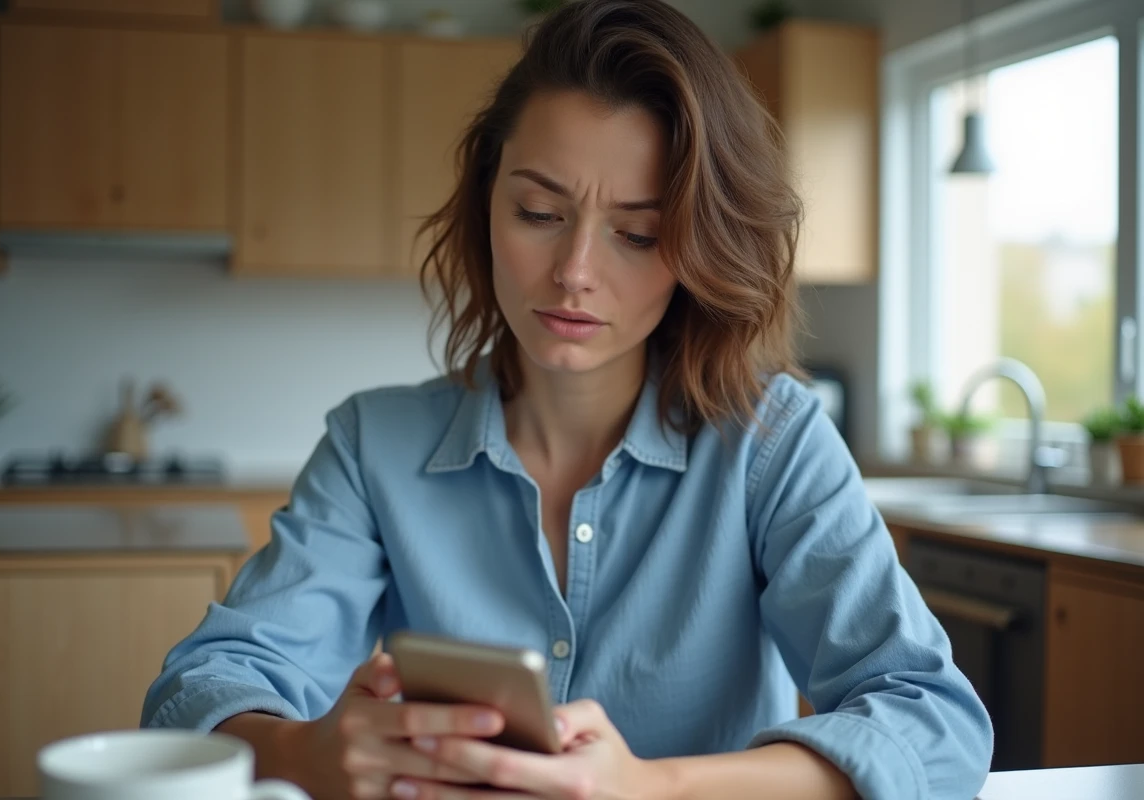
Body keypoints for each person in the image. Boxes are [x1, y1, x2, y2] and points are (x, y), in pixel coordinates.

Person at [142, 1, 993, 797]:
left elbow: (935, 721)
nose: (576, 273)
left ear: (697, 247)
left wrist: (655, 787)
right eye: (539, 211)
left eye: (638, 234)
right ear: (486, 205)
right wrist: (305, 751)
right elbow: (197, 689)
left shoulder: (772, 442)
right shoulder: (375, 446)